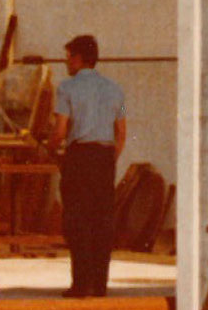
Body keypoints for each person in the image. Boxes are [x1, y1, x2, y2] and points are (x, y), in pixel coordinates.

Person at [51, 33, 126, 299]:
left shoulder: (67, 88)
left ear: (78, 58)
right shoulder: (115, 89)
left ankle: (81, 284)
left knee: (77, 221)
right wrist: (109, 159)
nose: (66, 62)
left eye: (68, 57)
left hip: (79, 157)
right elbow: (121, 133)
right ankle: (100, 285)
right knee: (102, 222)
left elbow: (60, 131)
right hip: (104, 158)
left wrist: (50, 147)